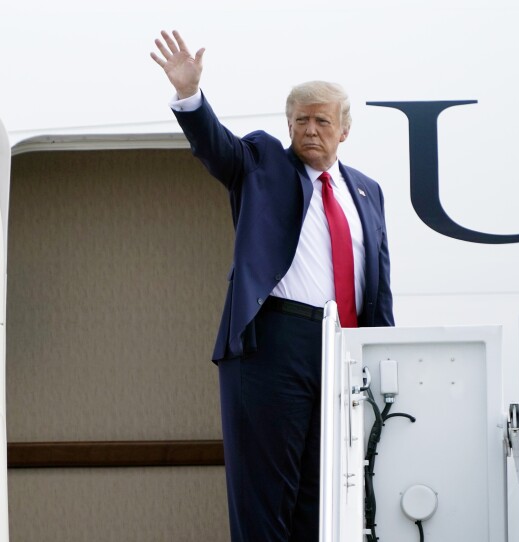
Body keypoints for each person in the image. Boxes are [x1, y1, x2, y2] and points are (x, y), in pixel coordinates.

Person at [151, 30, 394, 542]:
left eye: (321, 121)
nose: (310, 130)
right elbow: (217, 149)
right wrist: (190, 98)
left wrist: (383, 356)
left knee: (323, 497)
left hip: (341, 353)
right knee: (264, 498)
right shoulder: (262, 162)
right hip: (274, 343)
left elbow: (379, 288)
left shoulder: (367, 192)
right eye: (300, 120)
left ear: (343, 130)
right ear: (288, 125)